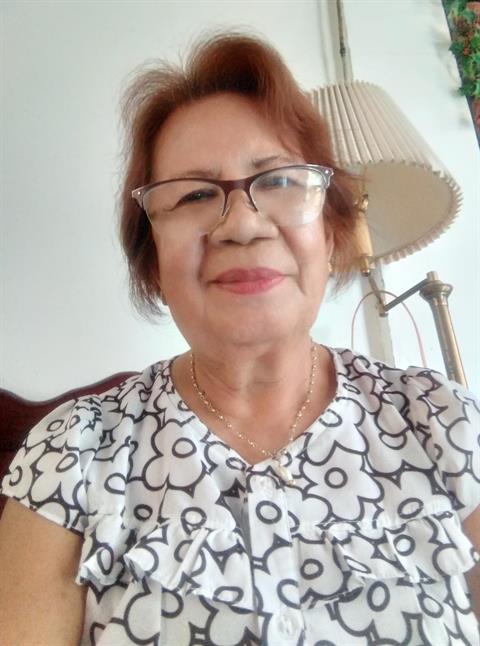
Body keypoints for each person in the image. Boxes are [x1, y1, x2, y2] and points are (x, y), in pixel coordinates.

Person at [0, 30, 479, 646]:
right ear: (153, 262)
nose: (243, 225)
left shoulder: (442, 421)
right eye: (195, 194)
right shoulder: (73, 452)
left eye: (278, 181)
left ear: (331, 233)